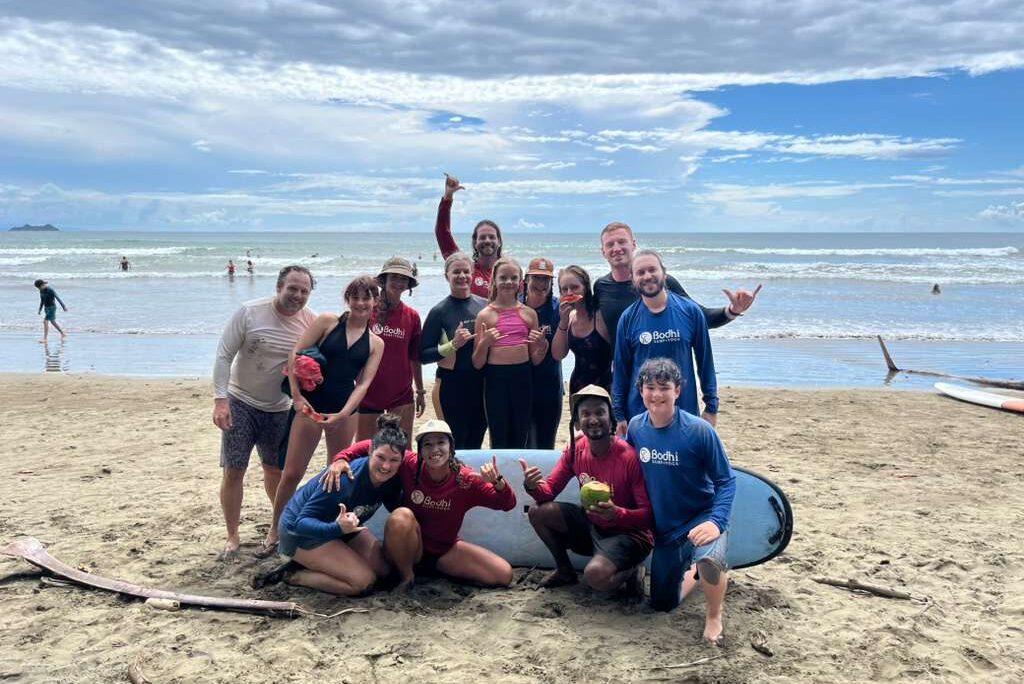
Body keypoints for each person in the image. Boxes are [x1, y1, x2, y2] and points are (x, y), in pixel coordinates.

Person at [263, 275, 385, 556]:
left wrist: (344, 414)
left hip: (344, 409)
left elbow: (364, 383)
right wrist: (296, 396)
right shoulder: (328, 322)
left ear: (374, 301)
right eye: (355, 297)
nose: (360, 303)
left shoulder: (376, 343)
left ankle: (330, 527)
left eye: (366, 298)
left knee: (337, 473)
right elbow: (296, 353)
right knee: (292, 472)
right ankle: (275, 530)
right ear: (348, 299)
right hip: (311, 405)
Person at [324, 419, 516, 589]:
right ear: (420, 450)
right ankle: (406, 577)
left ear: (451, 446)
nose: (435, 450)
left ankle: (433, 571)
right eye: (427, 444)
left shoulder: (466, 479)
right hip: (407, 548)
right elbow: (371, 445)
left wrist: (498, 482)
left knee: (503, 574)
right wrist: (342, 458)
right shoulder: (410, 464)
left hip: (443, 550)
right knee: (401, 516)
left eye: (441, 442)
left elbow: (508, 504)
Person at [626, 358, 735, 645]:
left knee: (710, 559)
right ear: (641, 390)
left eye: (664, 387)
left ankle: (714, 615)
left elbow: (726, 481)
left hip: (702, 516)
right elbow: (624, 465)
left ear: (678, 390)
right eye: (650, 387)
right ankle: (699, 574)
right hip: (666, 529)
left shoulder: (700, 431)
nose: (657, 394)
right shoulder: (636, 428)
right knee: (662, 603)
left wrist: (716, 522)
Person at [212, 265, 317, 559]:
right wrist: (220, 400)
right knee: (234, 469)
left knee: (276, 471)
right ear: (279, 287)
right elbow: (223, 355)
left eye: (304, 291)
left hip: (280, 409)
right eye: (292, 288)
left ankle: (276, 529)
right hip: (241, 400)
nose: (297, 295)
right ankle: (233, 535)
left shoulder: (310, 322)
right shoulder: (249, 312)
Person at [252, 414, 407, 595]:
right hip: (299, 534)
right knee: (364, 582)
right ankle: (293, 575)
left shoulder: (392, 480)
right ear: (370, 450)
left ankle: (325, 559)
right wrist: (337, 528)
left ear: (402, 460)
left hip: (344, 529)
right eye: (380, 457)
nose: (386, 466)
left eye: (394, 460)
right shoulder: (344, 479)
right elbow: (300, 523)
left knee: (386, 572)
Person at [520, 385, 652, 595]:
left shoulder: (628, 457)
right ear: (577, 421)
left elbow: (648, 517)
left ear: (611, 418)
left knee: (595, 576)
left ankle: (633, 571)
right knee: (538, 512)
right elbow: (549, 492)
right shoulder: (575, 449)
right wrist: (532, 485)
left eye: (600, 412)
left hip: (629, 535)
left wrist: (617, 513)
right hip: (593, 526)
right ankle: (564, 571)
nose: (593, 419)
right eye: (585, 414)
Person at [594, 222, 760, 349]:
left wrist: (733, 310)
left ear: (633, 245)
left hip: (660, 378)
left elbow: (701, 317)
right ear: (603, 252)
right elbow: (591, 331)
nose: (616, 248)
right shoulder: (601, 287)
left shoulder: (662, 283)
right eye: (610, 244)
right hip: (621, 376)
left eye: (622, 242)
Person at [613, 250, 718, 433]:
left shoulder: (691, 311)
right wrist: (619, 414)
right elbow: (621, 370)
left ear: (664, 273)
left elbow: (705, 362)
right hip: (640, 414)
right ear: (633, 279)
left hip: (683, 410)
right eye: (640, 272)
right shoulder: (628, 318)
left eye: (652, 270)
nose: (647, 276)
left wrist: (711, 406)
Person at [472, 258, 549, 448]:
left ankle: (517, 477)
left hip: (522, 376)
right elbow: (477, 363)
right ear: (494, 281)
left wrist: (543, 345)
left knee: (520, 434)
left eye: (513, 277)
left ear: (521, 282)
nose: (508, 282)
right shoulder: (485, 315)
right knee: (499, 435)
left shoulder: (529, 314)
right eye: (503, 277)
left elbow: (535, 359)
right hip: (495, 379)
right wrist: (485, 343)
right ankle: (499, 478)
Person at [420, 252, 488, 448]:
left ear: (473, 274)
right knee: (454, 442)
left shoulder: (484, 306)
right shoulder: (439, 312)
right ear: (446, 276)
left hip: (481, 385)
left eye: (466, 271)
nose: (462, 276)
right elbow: (423, 355)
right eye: (456, 272)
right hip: (450, 387)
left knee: (476, 441)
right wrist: (453, 345)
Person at [356, 257, 425, 442]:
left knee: (402, 449)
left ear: (409, 284)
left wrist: (420, 391)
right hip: (368, 393)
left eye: (403, 278)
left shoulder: (412, 316)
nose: (398, 282)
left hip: (401, 394)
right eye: (393, 277)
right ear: (383, 280)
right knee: (365, 450)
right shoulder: (367, 311)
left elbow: (415, 357)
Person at [434, 173, 502, 298]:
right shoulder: (466, 270)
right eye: (482, 237)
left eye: (491, 237)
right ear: (475, 242)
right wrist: (448, 197)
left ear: (499, 241)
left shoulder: (507, 273)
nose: (487, 240)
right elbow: (443, 233)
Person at [521, 257, 563, 449]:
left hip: (549, 385)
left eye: (545, 279)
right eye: (536, 278)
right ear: (526, 280)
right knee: (523, 443)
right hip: (520, 384)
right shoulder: (515, 305)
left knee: (546, 444)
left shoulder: (558, 308)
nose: (540, 284)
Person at [551, 265, 612, 394]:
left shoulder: (601, 315)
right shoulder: (570, 317)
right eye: (564, 289)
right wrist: (563, 322)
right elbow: (558, 354)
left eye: (574, 287)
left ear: (585, 287)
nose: (569, 293)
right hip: (578, 386)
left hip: (605, 386)